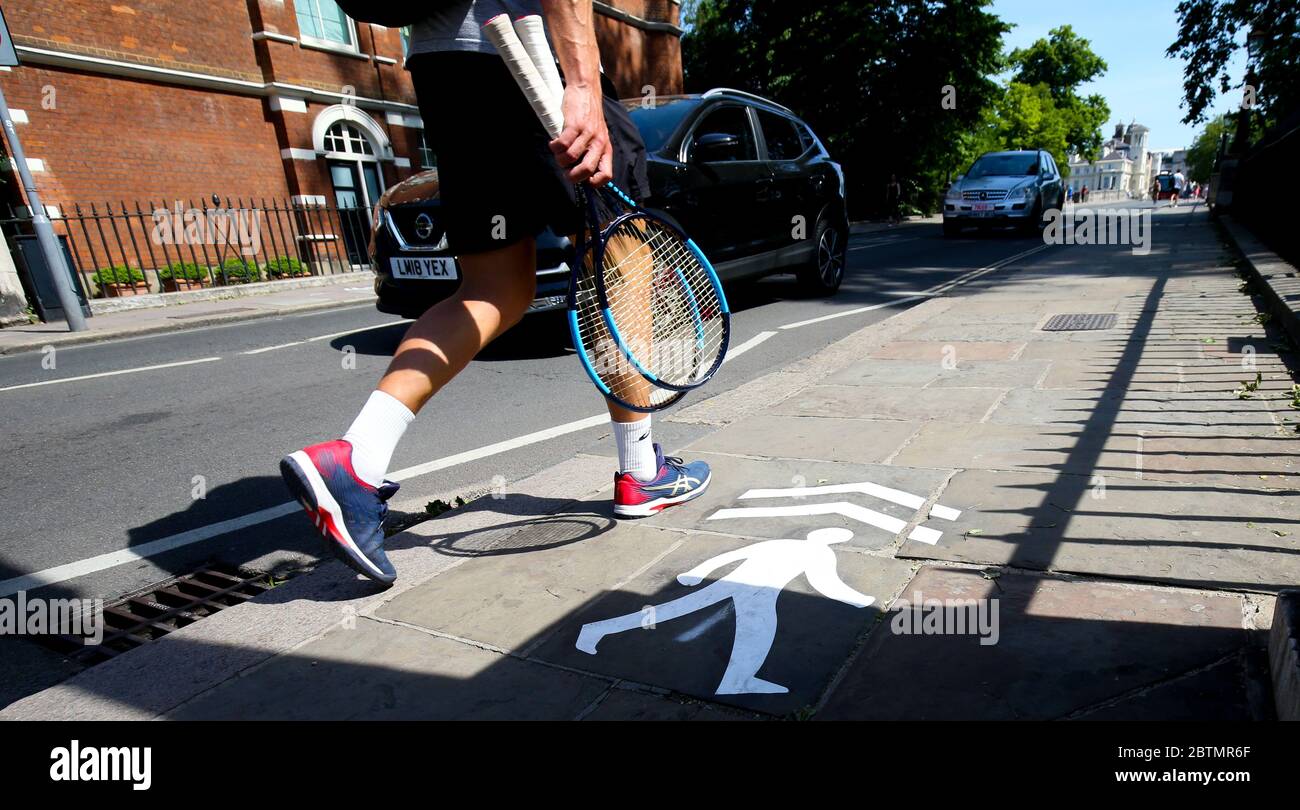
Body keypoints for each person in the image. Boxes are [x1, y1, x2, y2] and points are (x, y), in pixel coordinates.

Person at [278, 1, 712, 585]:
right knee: (623, 255)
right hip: (533, 57)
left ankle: (355, 460)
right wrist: (582, 85)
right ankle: (640, 469)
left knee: (494, 289)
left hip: (445, 69)